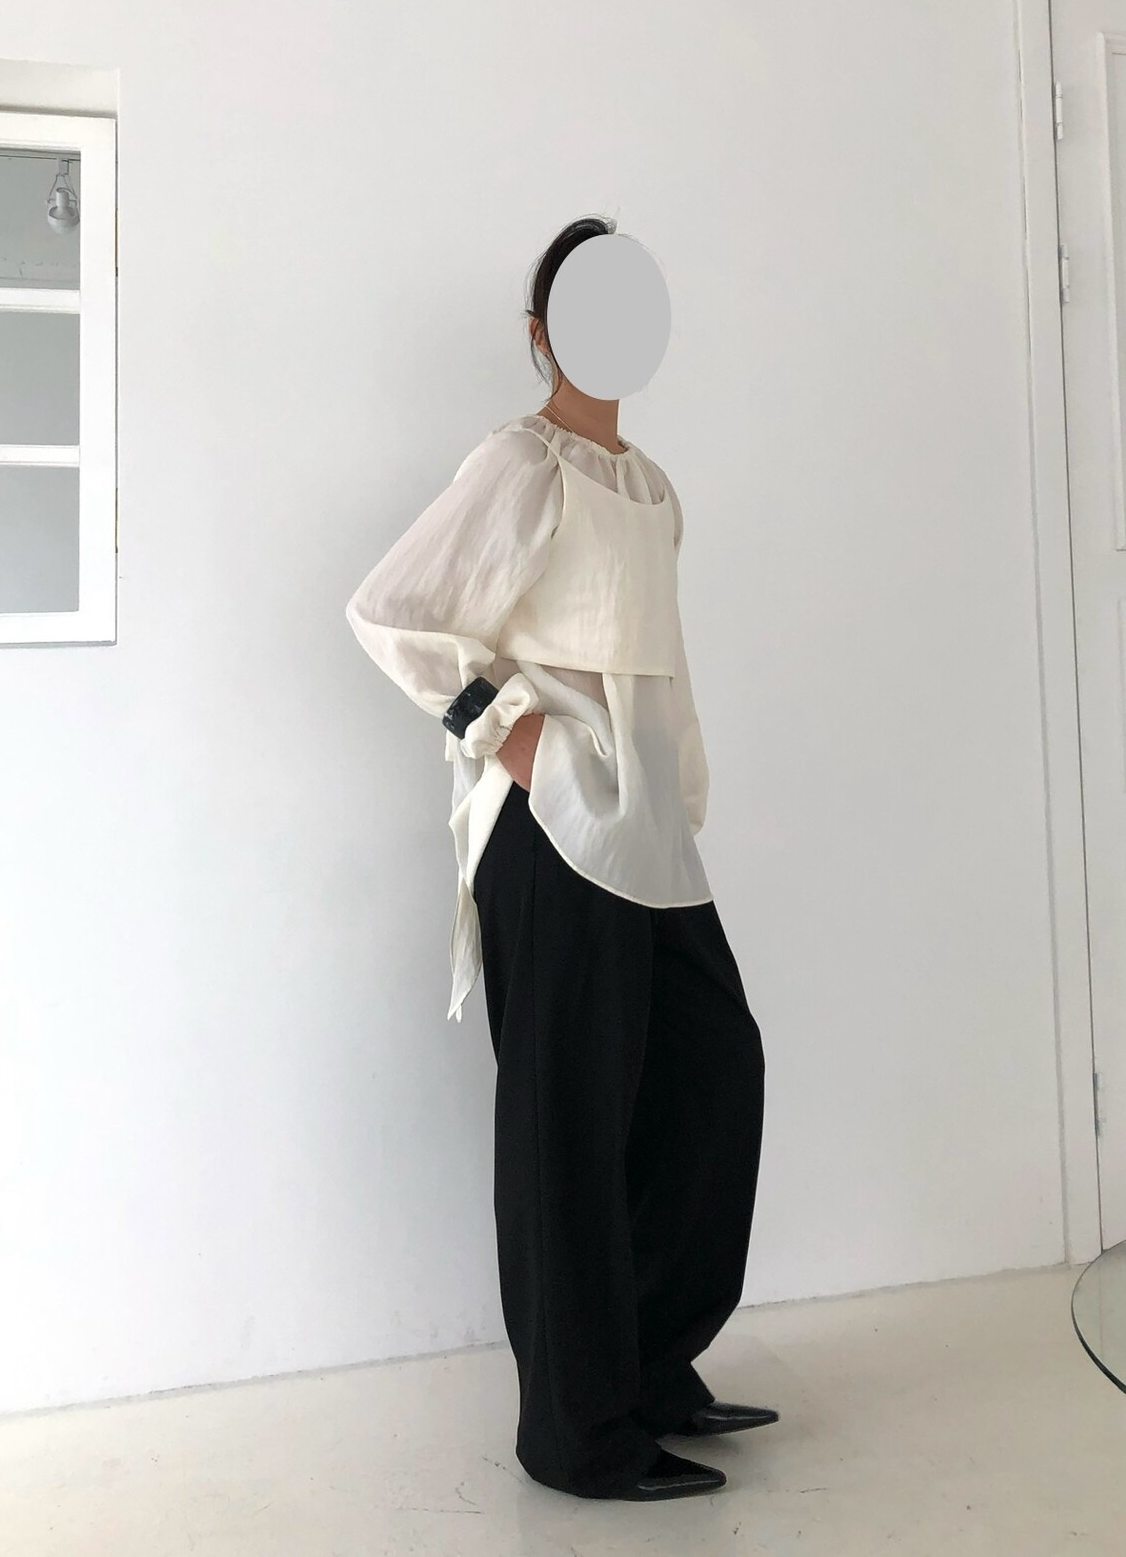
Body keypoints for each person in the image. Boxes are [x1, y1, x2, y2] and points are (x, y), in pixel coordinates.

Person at [346, 217, 769, 1503]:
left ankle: (646, 1365)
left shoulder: (651, 486)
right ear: (543, 333)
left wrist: (676, 793)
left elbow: (658, 667)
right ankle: (577, 1431)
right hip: (551, 829)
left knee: (710, 1075)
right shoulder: (520, 463)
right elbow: (391, 610)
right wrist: (510, 731)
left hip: (647, 828)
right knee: (568, 1121)